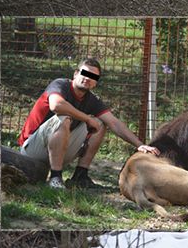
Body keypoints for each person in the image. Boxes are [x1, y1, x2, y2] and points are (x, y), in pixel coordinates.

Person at [18, 57, 160, 189]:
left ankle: (80, 175)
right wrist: (87, 119)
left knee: (100, 123)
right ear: (75, 74)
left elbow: (114, 123)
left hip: (58, 149)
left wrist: (140, 145)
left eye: (93, 77)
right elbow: (56, 105)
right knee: (64, 118)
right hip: (31, 149)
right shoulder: (60, 84)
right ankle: (55, 178)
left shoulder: (92, 100)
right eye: (85, 73)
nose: (87, 78)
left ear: (96, 82)